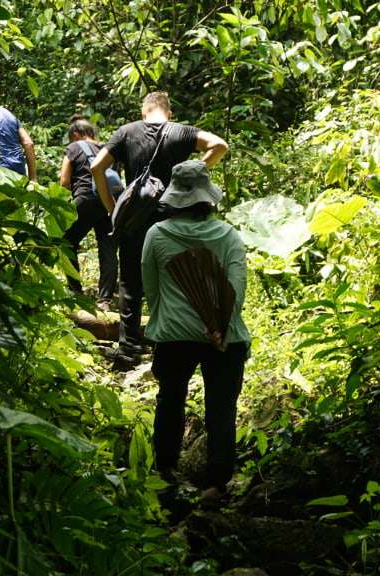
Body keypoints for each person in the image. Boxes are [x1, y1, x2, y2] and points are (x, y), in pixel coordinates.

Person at [90, 91, 228, 367]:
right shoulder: (182, 132)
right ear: (169, 113)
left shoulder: (127, 132)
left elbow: (96, 166)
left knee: (130, 280)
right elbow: (219, 145)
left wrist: (110, 206)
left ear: (144, 111)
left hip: (135, 220)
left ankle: (129, 347)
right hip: (173, 216)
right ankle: (168, 342)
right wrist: (193, 171)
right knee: (174, 277)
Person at [142, 160, 249, 499]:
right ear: (207, 196)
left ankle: (167, 471)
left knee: (170, 400)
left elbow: (151, 288)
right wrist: (218, 326)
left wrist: (167, 321)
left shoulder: (157, 235)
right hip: (225, 338)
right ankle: (217, 484)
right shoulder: (229, 236)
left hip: (173, 335)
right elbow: (238, 287)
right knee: (221, 407)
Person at [58, 117, 118, 309]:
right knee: (107, 248)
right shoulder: (108, 149)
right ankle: (105, 300)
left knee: (66, 243)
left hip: (85, 199)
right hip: (110, 202)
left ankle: (76, 293)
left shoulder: (74, 148)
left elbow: (64, 181)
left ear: (75, 135)